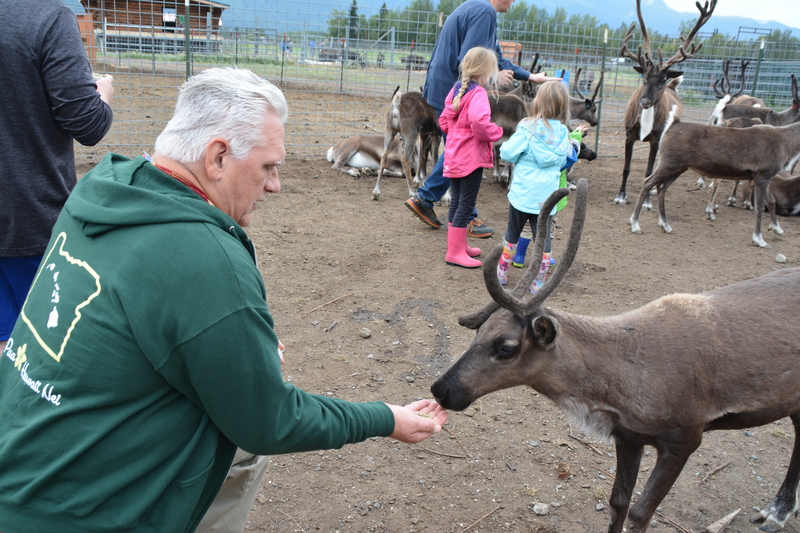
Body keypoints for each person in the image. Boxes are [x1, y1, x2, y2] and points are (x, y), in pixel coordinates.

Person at [0, 67, 448, 533]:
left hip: (19, 459)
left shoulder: (103, 187)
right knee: (246, 445)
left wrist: (230, 349)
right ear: (217, 157)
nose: (275, 185)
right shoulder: (202, 257)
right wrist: (385, 418)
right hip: (69, 516)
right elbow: (270, 420)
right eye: (268, 167)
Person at [0, 0, 114, 356]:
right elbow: (87, 123)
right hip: (29, 215)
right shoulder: (45, 17)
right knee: (50, 341)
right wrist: (102, 97)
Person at [404, 0, 560, 238]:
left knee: (457, 150)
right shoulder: (484, 13)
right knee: (461, 151)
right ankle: (440, 205)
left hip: (446, 89)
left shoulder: (479, 10)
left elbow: (493, 56)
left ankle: (444, 207)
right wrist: (495, 77)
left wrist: (531, 76)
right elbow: (468, 60)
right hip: (455, 91)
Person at [495, 81, 587, 292]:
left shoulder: (527, 128)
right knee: (543, 239)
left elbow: (507, 153)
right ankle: (538, 283)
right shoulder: (563, 132)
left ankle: (501, 273)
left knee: (512, 233)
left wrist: (517, 154)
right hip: (547, 198)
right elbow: (565, 159)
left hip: (522, 195)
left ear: (539, 103)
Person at [440, 47, 504, 268]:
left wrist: (457, 135)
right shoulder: (478, 94)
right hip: (471, 158)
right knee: (466, 204)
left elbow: (444, 121)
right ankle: (455, 252)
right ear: (485, 72)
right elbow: (479, 122)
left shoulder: (457, 90)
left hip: (454, 155)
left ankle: (459, 245)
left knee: (457, 201)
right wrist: (495, 132)